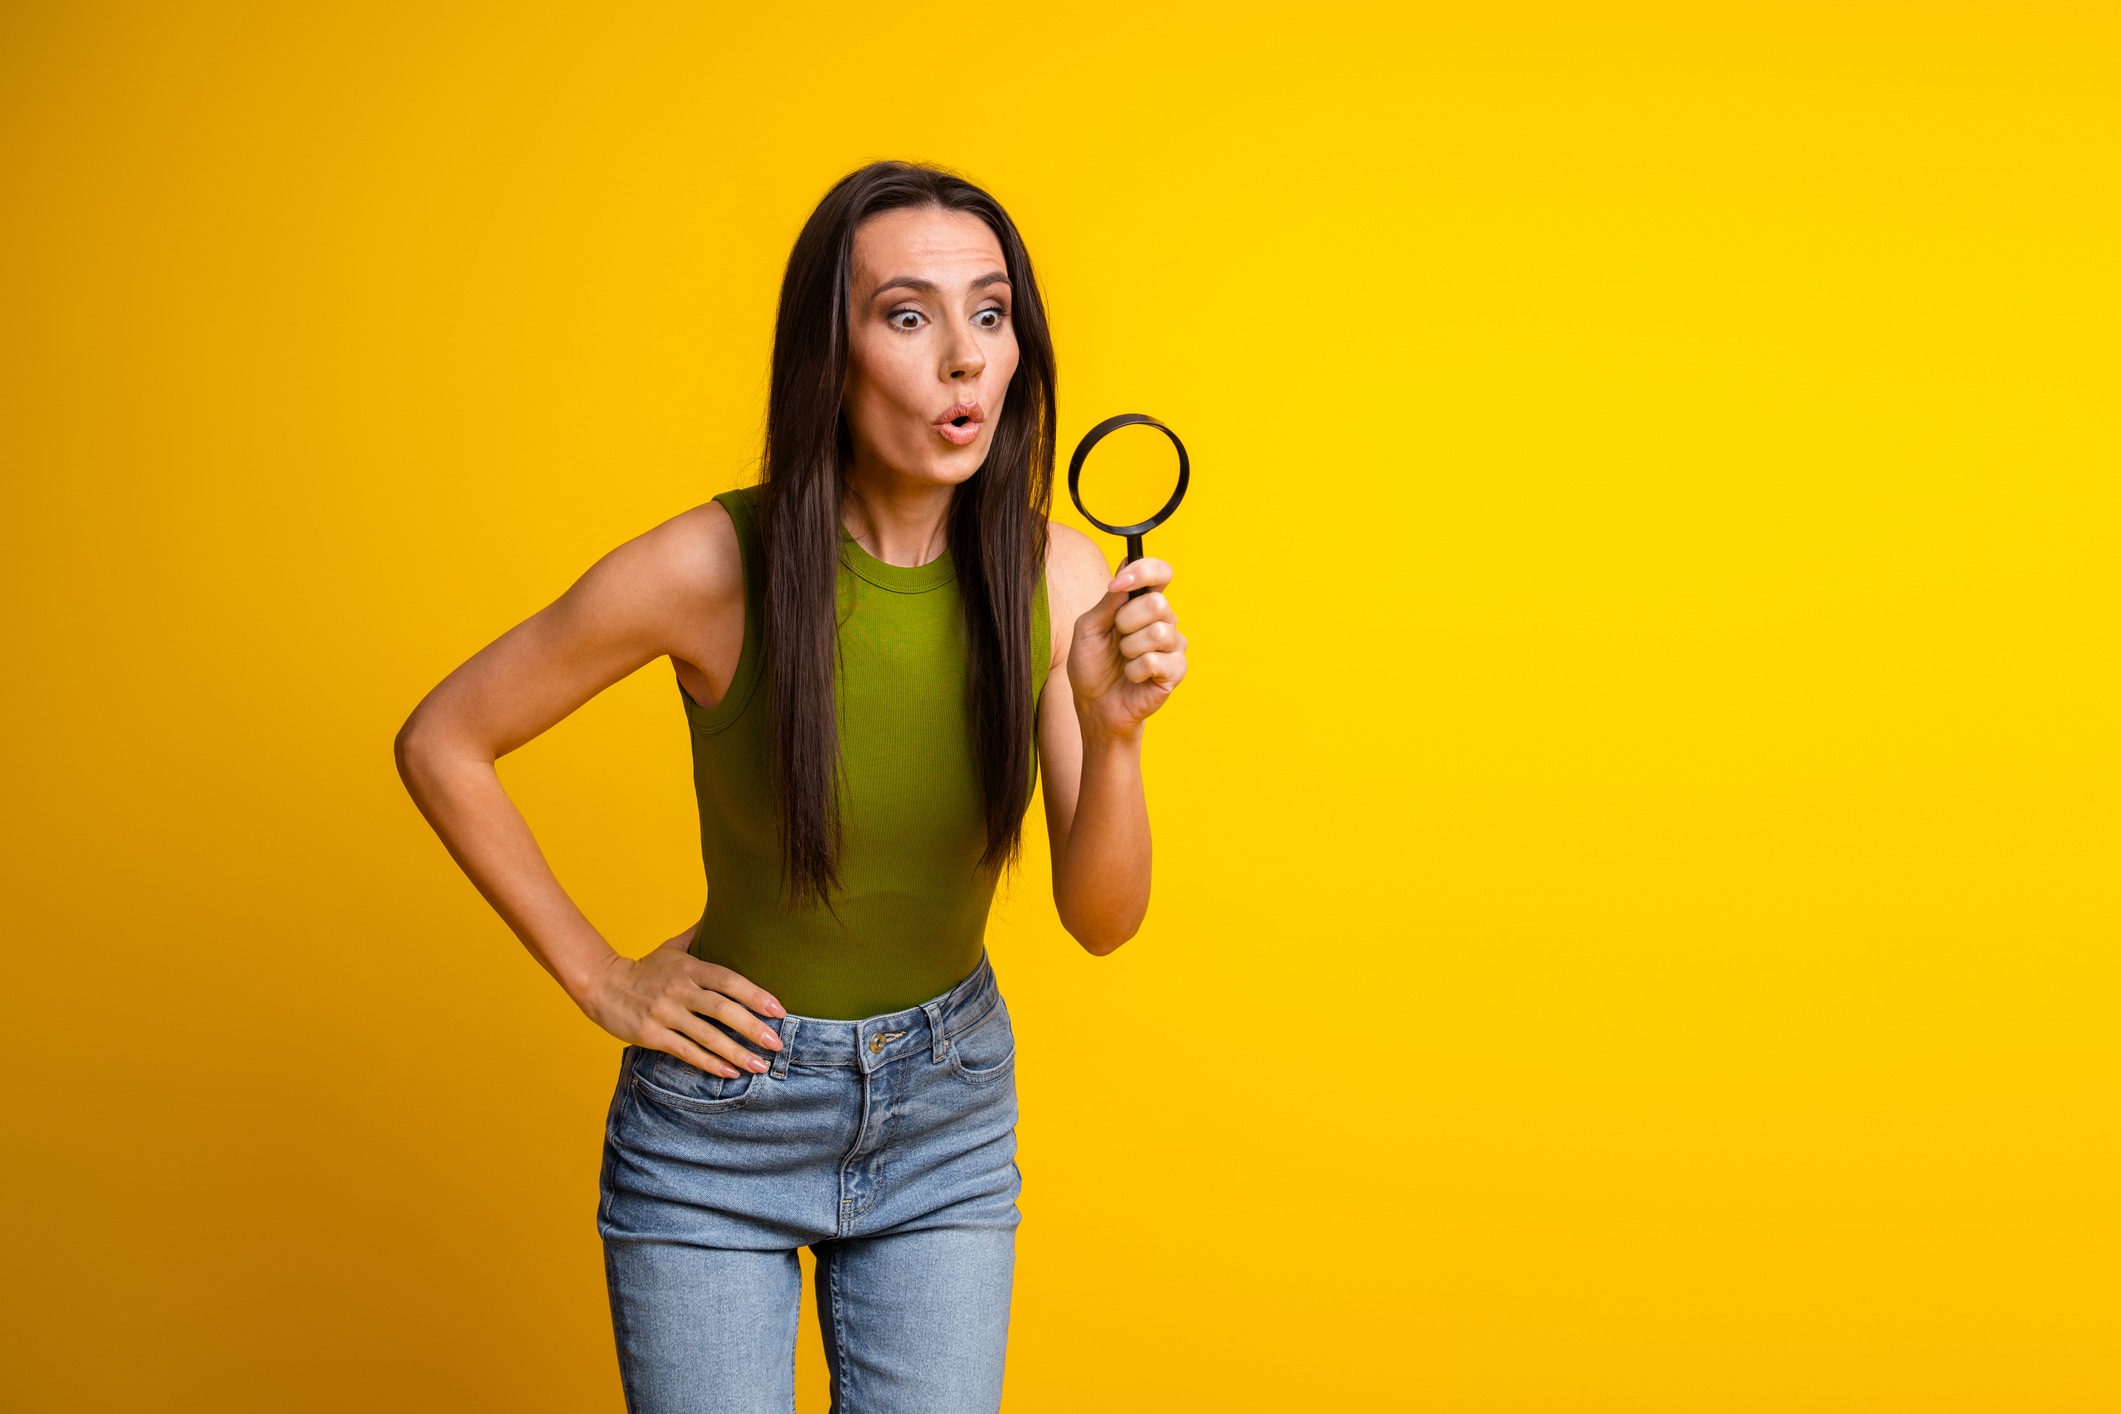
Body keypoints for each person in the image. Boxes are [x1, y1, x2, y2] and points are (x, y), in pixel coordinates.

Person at [394, 161, 1189, 1414]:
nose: (965, 360)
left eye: (991, 314)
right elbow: (445, 736)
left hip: (948, 1116)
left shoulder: (1054, 574)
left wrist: (1116, 729)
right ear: (833, 351)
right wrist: (603, 975)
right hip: (721, 1127)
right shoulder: (711, 565)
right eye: (909, 315)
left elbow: (1102, 919)